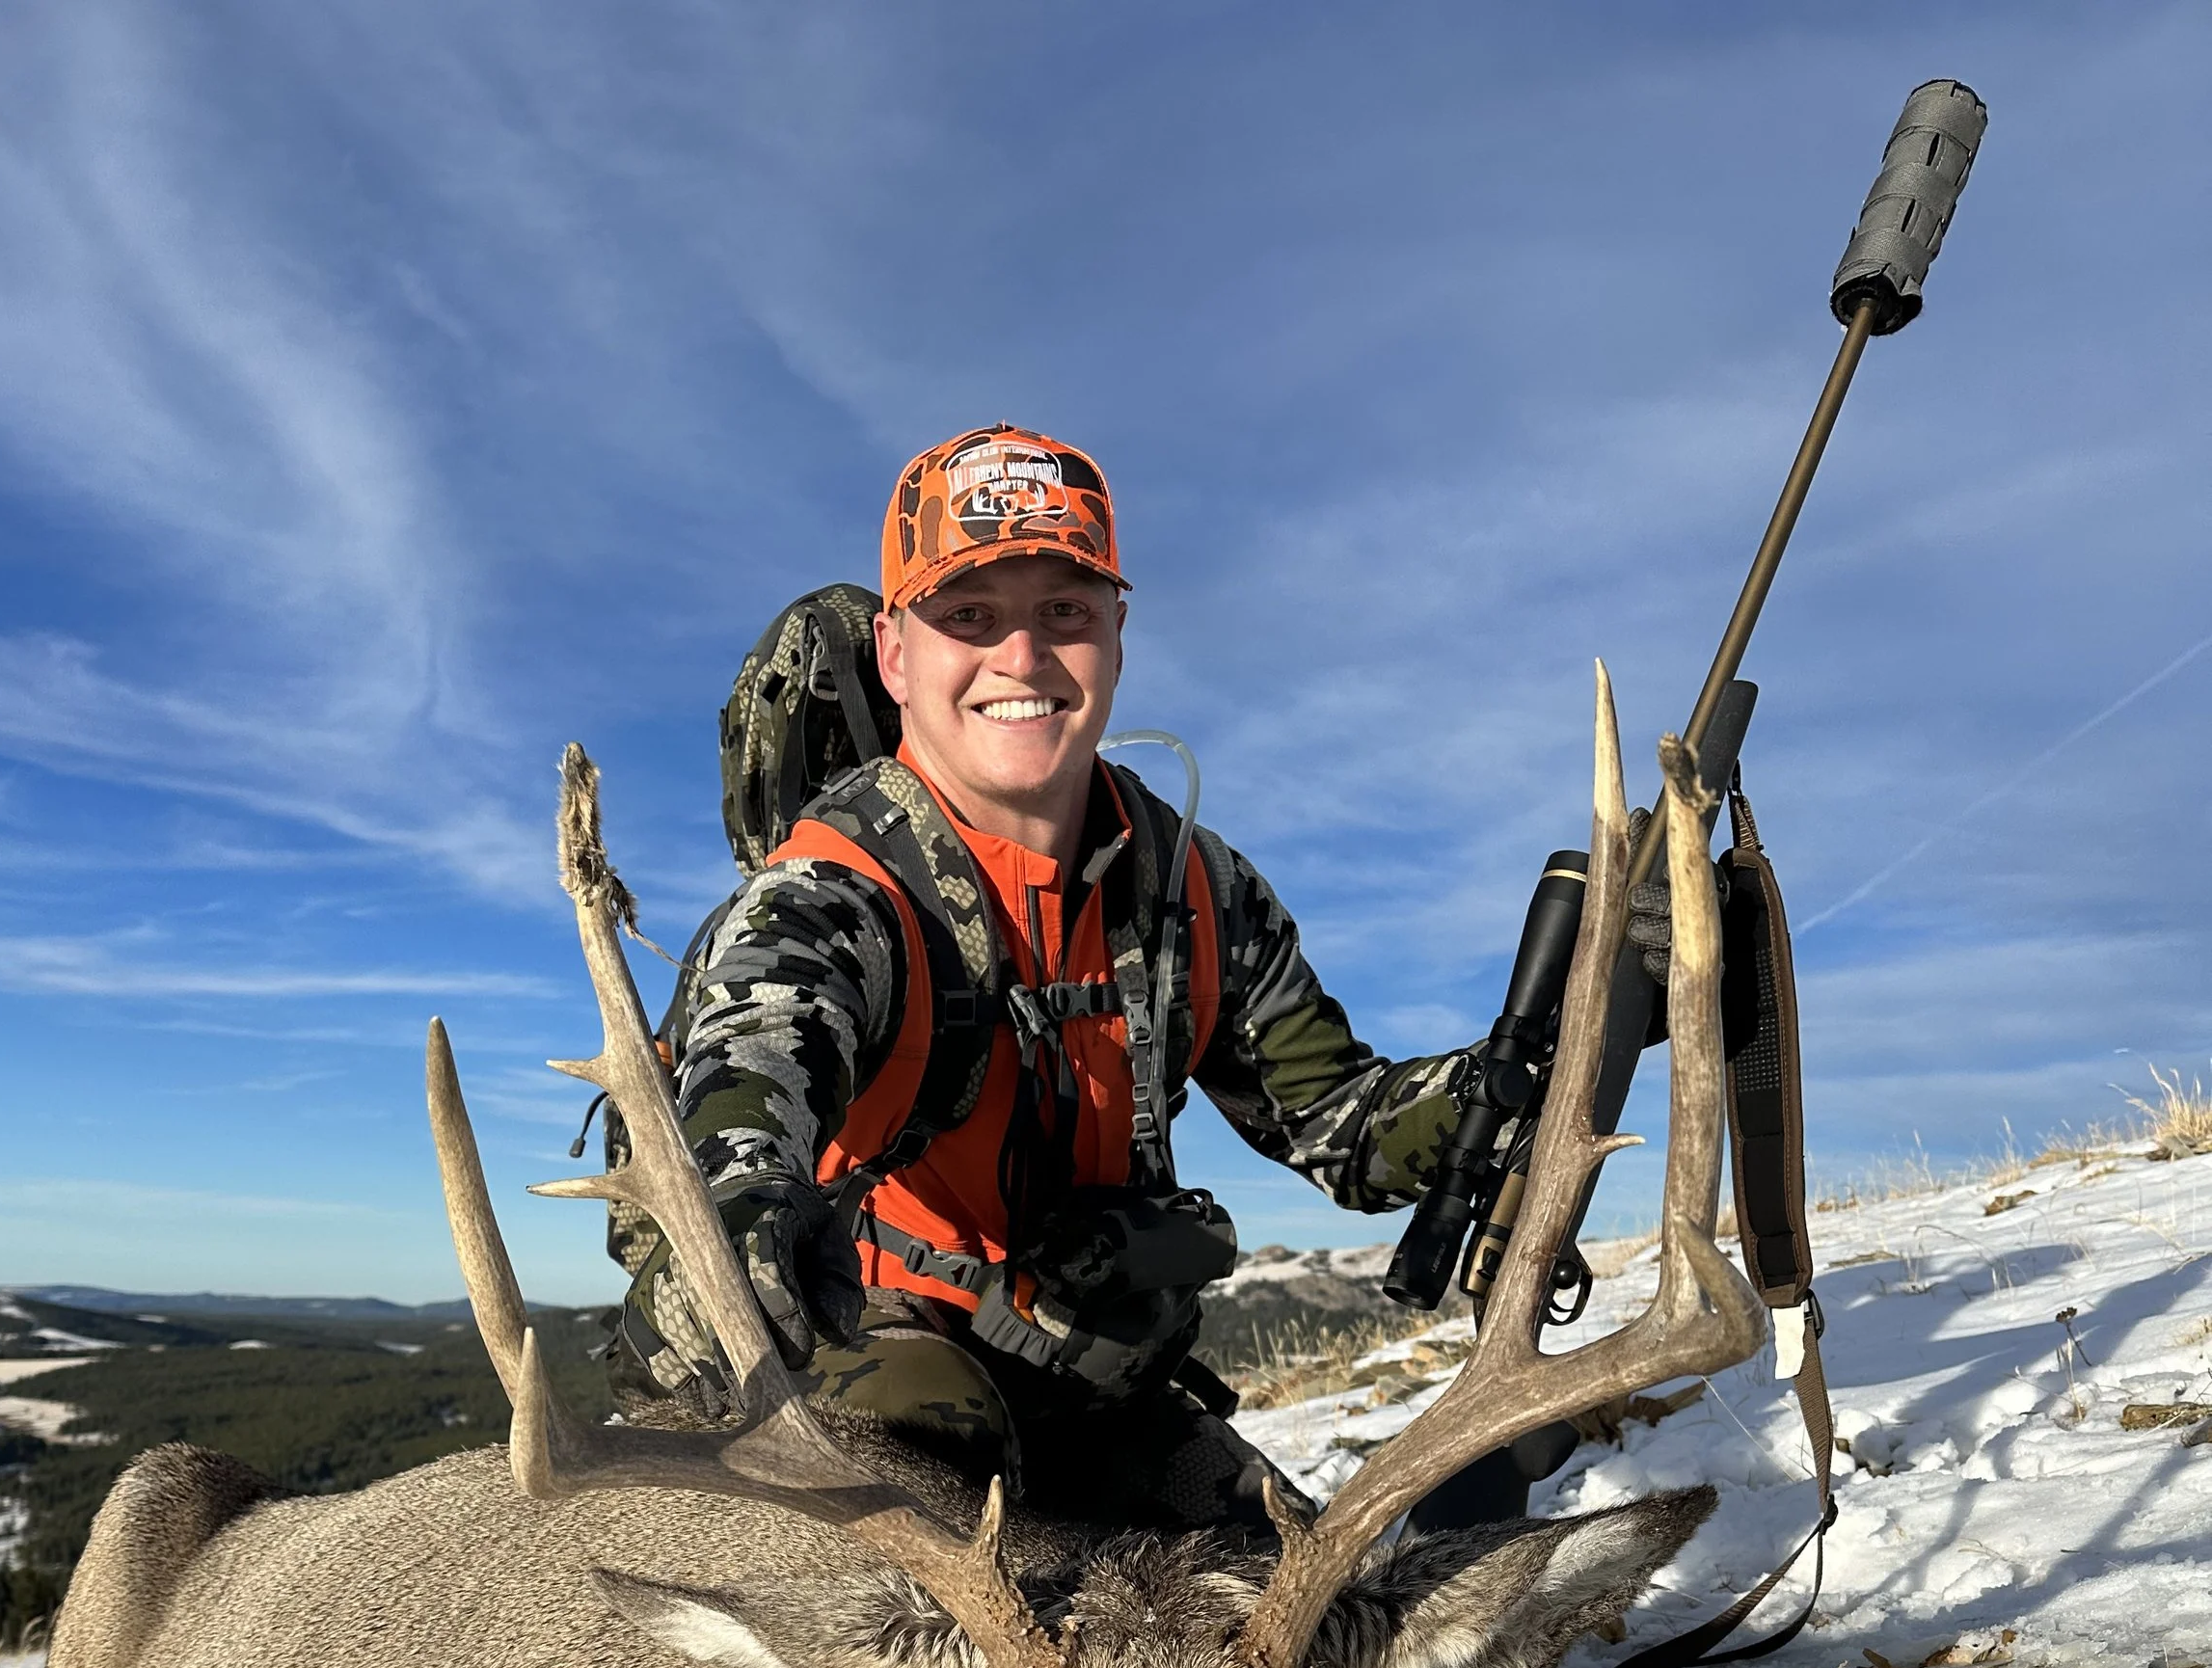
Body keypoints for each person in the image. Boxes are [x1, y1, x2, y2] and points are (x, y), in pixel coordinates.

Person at [609, 424, 1655, 1532]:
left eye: (1065, 610)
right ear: (896, 654)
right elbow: (749, 1074)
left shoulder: (1198, 891)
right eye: (969, 615)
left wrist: (1573, 1027)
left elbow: (1344, 1130)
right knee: (945, 1529)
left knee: (1318, 1628)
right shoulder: (835, 895)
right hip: (874, 1379)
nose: (1021, 656)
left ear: (1116, 633)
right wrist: (744, 1212)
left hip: (1087, 1383)